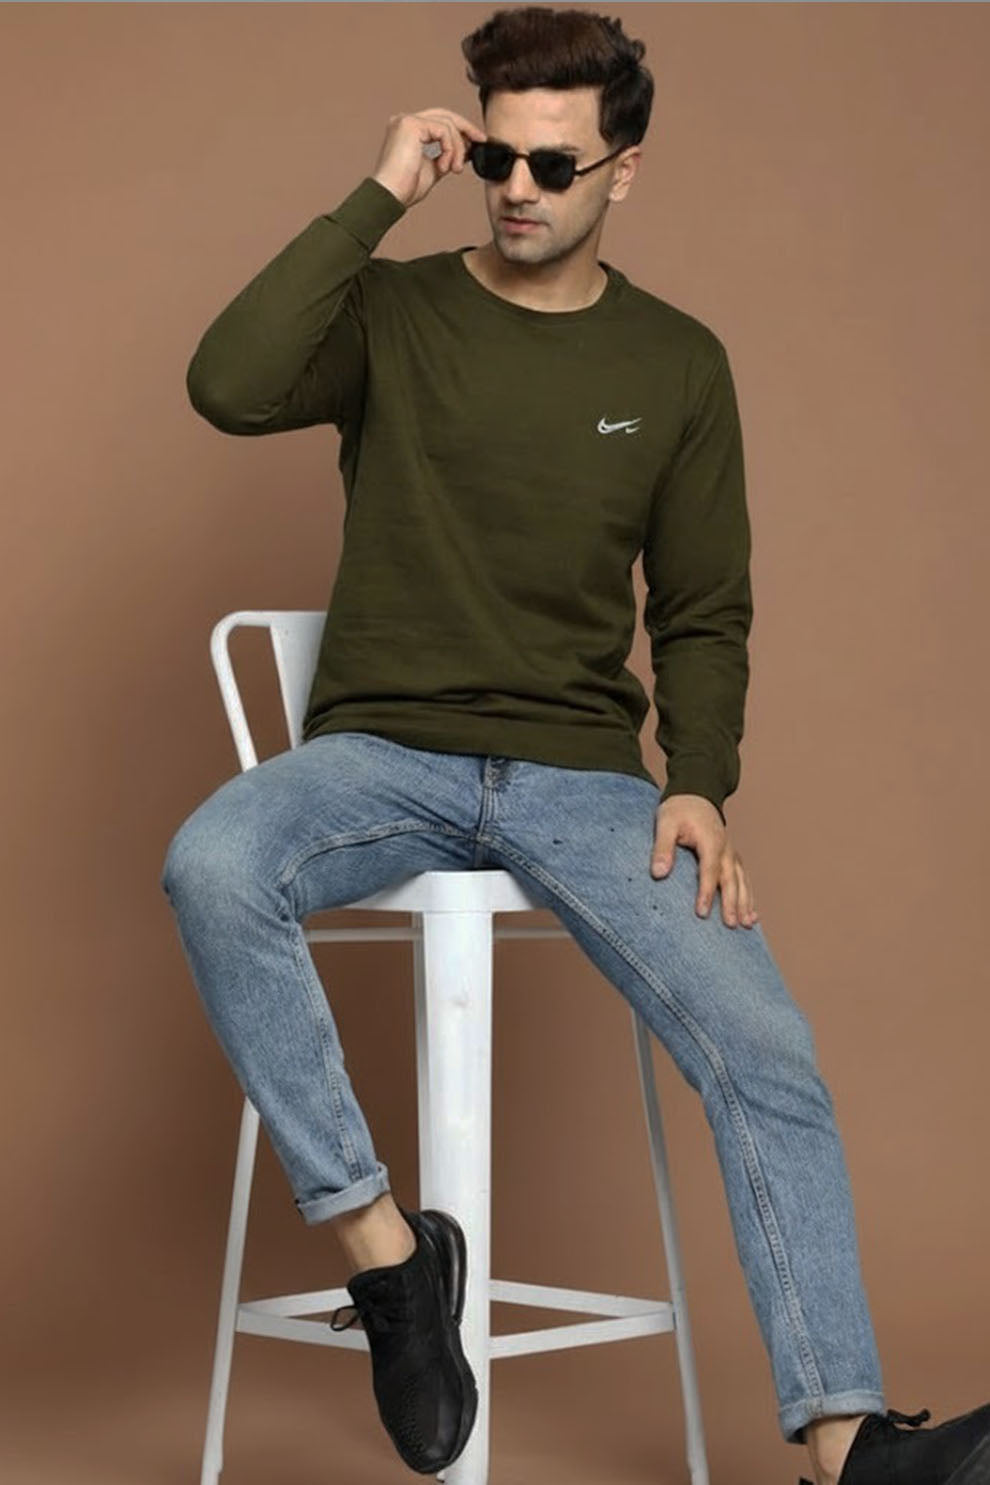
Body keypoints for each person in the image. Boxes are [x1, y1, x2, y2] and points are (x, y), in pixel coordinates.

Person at [162, 8, 990, 1483]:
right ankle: (391, 1260)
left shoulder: (676, 363)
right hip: (382, 756)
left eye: (554, 162)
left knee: (765, 1046)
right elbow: (225, 384)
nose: (518, 187)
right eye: (495, 156)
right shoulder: (393, 313)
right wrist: (379, 193)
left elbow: (704, 607)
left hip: (584, 781)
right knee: (213, 860)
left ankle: (846, 1443)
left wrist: (701, 782)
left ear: (625, 168)